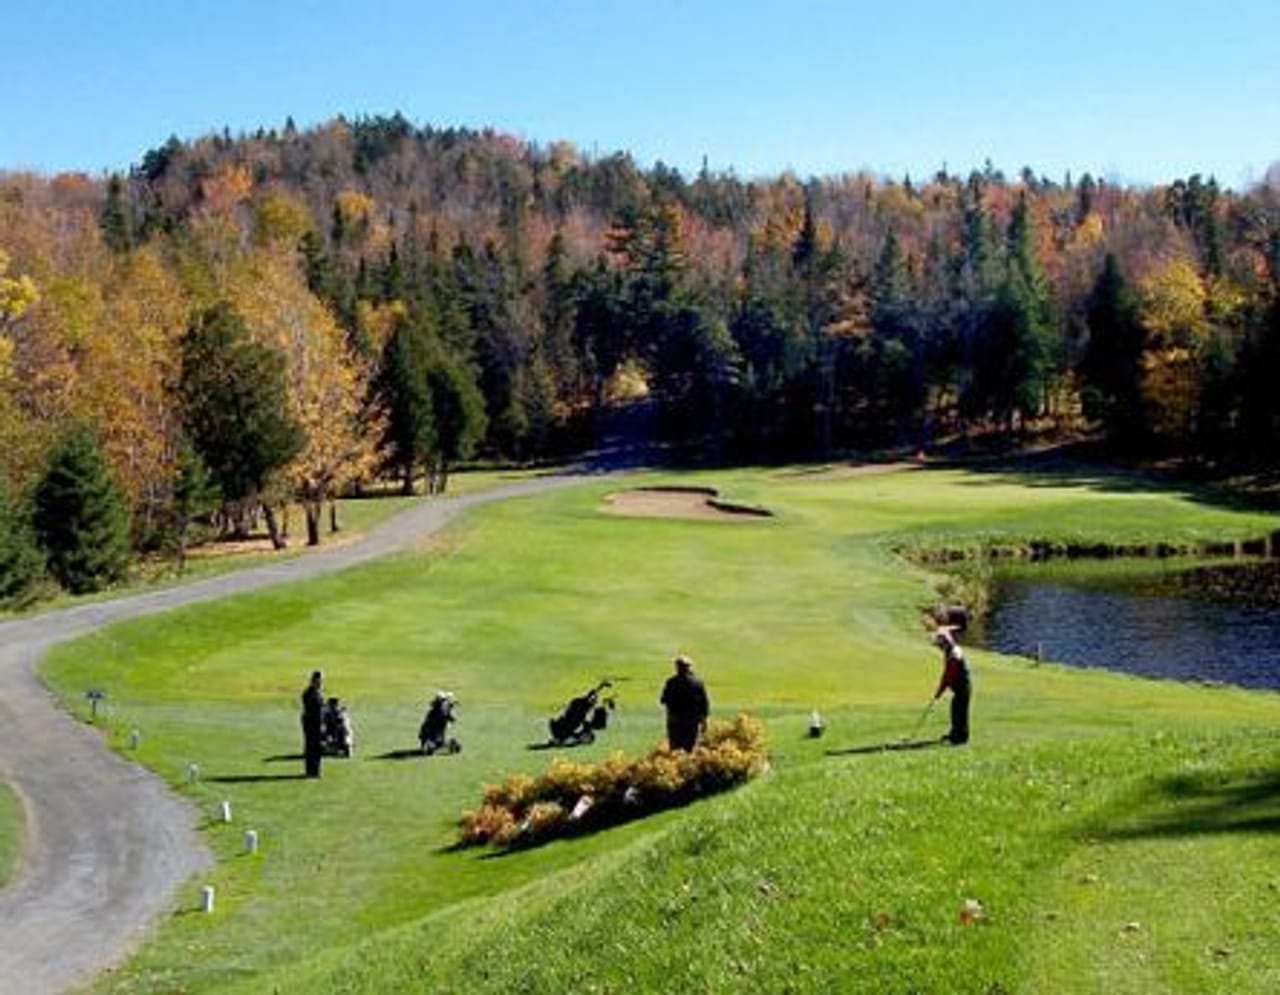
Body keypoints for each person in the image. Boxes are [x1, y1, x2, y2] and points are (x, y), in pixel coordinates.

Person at [660, 655, 709, 751]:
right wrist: (704, 722)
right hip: (691, 721)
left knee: (675, 748)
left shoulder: (671, 682)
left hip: (675, 721)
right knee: (689, 748)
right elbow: (704, 704)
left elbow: (663, 700)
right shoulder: (698, 683)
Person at [932, 628, 971, 745]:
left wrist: (941, 689)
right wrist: (941, 689)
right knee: (955, 711)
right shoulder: (949, 651)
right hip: (958, 689)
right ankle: (955, 734)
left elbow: (950, 674)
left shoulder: (955, 652)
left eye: (941, 644)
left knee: (960, 713)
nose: (940, 647)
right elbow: (947, 674)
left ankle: (961, 738)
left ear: (946, 642)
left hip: (963, 688)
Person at [301, 670, 325, 777]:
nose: (321, 683)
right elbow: (316, 709)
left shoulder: (313, 692)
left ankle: (313, 770)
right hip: (313, 723)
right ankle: (313, 771)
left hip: (312, 721)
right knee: (313, 747)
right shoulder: (312, 693)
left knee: (313, 747)